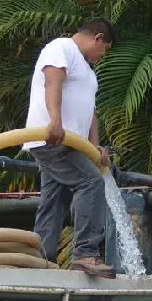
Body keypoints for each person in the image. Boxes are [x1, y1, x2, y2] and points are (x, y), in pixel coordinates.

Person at [23, 18, 116, 279]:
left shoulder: (88, 72)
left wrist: (95, 148)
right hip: (53, 139)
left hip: (70, 144)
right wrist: (55, 120)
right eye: (105, 49)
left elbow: (90, 111)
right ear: (97, 38)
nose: (102, 55)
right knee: (91, 183)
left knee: (55, 200)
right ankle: (86, 253)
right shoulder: (61, 47)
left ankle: (40, 259)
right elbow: (53, 80)